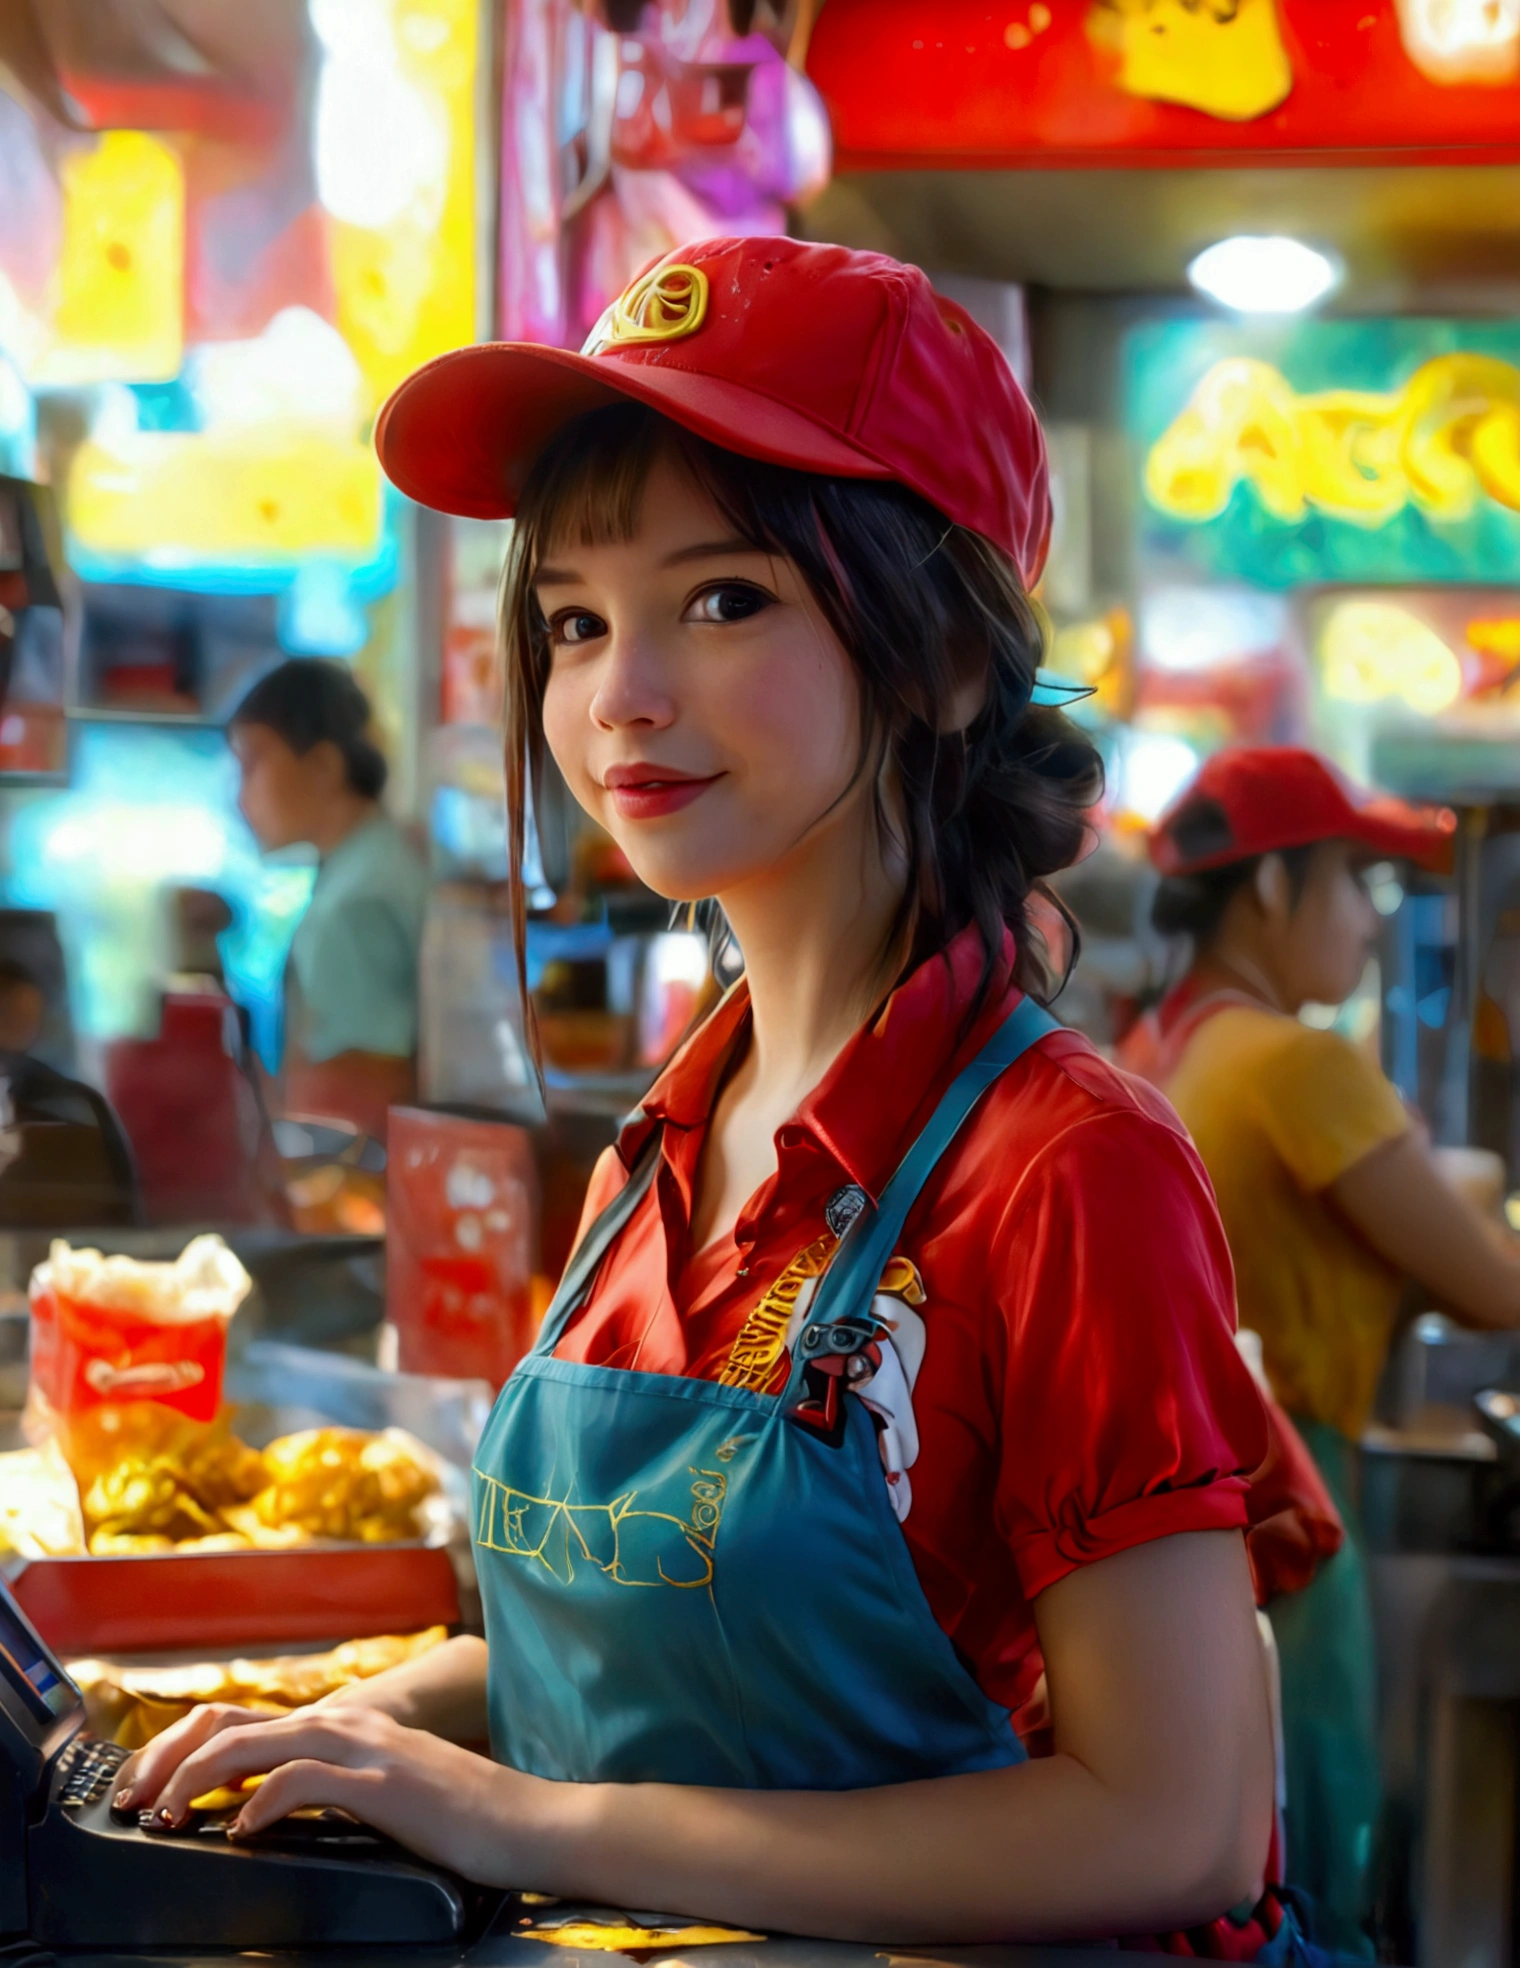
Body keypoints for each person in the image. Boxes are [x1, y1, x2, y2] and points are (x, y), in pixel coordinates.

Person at [115, 238, 1287, 1949]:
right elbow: (636, 1662)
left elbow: (1176, 1824)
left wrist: (528, 1815)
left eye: (723, 598)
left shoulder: (1067, 1167)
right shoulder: (665, 1139)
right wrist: (369, 1714)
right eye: (576, 621)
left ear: (947, 658)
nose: (618, 697)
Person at [1145, 746, 1520, 1952]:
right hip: (1289, 1501)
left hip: (1196, 1500)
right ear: (1268, 888)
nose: (1367, 922)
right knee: (1311, 1863)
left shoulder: (1175, 1046)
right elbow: (1495, 1288)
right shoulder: (1295, 1063)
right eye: (1354, 881)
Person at [228, 659, 427, 1142]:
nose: (240, 798)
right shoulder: (385, 858)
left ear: (323, 765)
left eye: (253, 765)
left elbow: (353, 1107)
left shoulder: (351, 908)